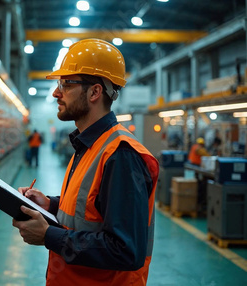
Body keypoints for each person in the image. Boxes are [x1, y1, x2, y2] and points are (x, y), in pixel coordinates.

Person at [11, 39, 159, 286]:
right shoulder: (89, 145)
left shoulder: (120, 155)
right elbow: (89, 211)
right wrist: (49, 205)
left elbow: (126, 250)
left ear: (94, 92)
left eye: (66, 84)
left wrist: (49, 235)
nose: (56, 92)